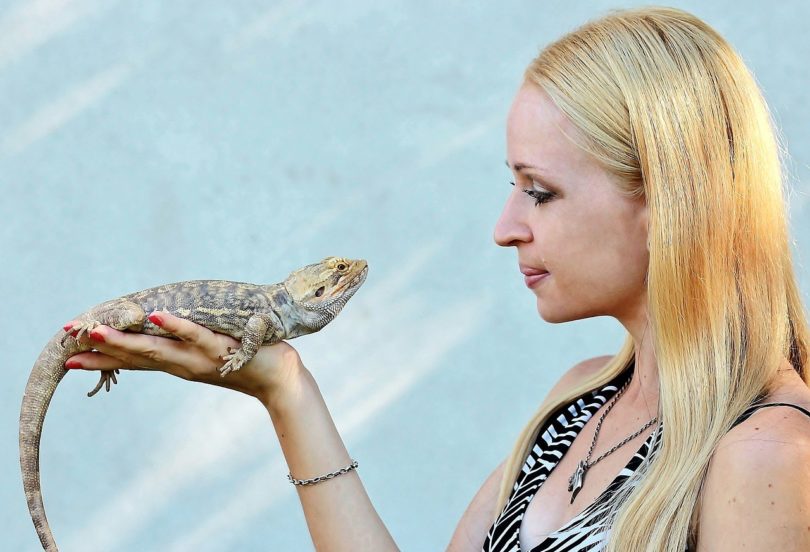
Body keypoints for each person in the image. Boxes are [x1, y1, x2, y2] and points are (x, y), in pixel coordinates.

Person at [64, 5, 810, 551]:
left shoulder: (765, 453)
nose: (505, 226)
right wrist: (285, 389)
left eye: (539, 191)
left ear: (666, 201)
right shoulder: (579, 405)